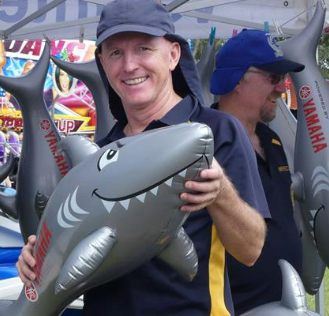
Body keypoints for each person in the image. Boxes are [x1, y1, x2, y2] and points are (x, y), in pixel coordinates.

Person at [16, 0, 270, 315]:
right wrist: (35, 256)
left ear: (173, 55)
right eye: (115, 53)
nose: (130, 66)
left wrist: (221, 194)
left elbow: (251, 249)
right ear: (102, 62)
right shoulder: (101, 153)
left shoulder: (216, 131)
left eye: (144, 49)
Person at [209, 29, 305, 314]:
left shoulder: (272, 141)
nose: (282, 88)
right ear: (238, 80)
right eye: (273, 78)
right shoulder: (204, 143)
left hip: (283, 302)